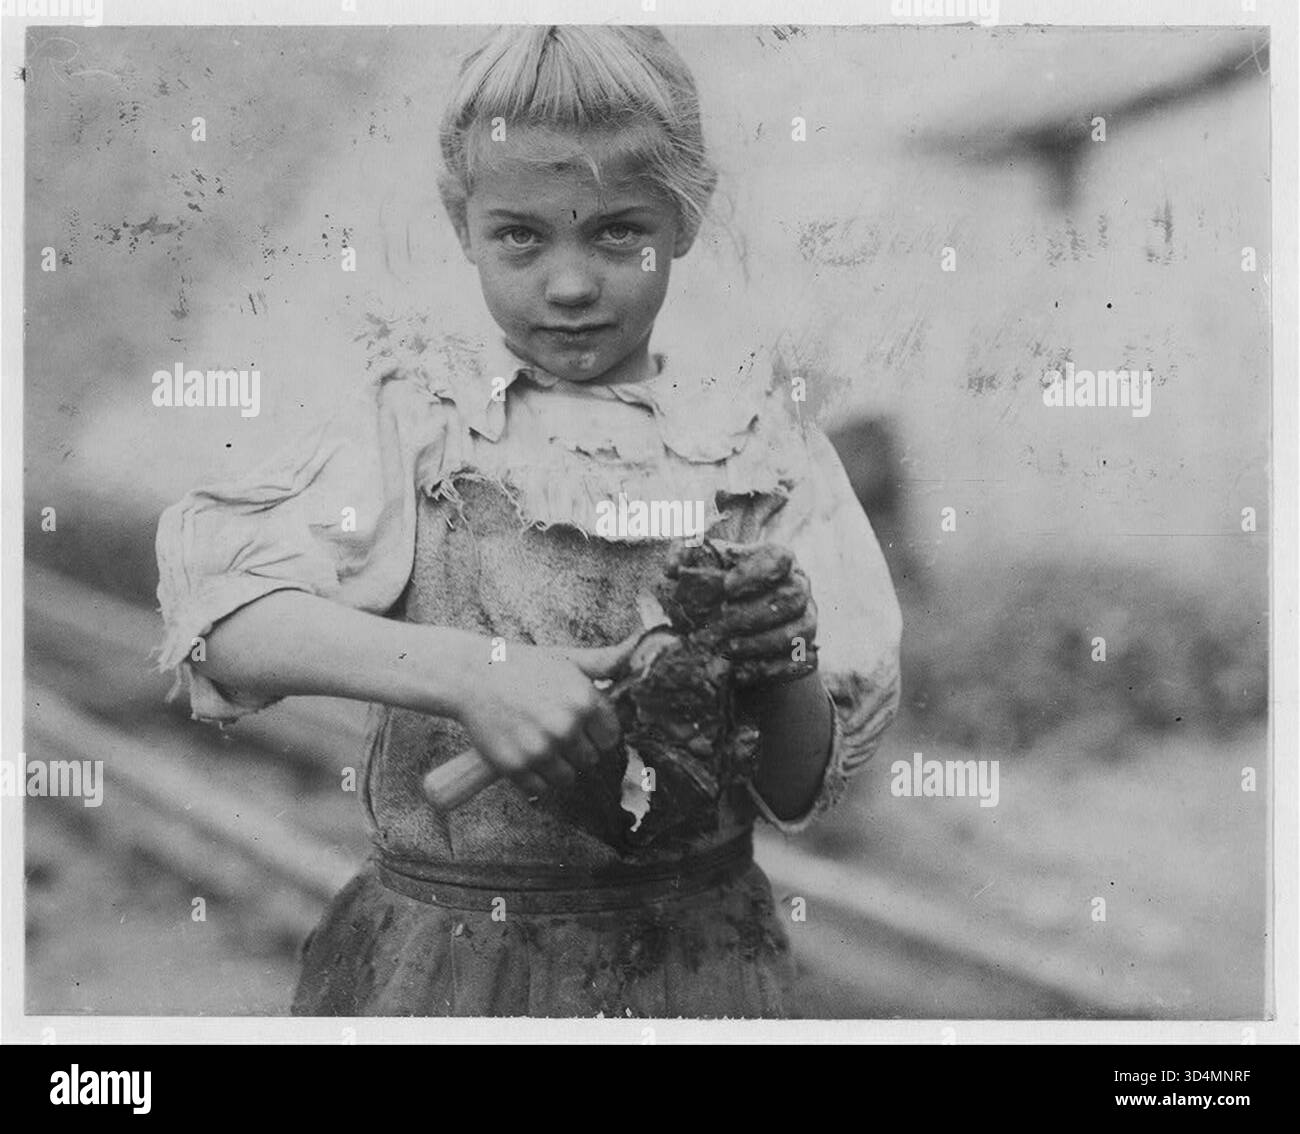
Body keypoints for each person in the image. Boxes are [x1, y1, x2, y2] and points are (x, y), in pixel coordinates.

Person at [155, 25, 901, 1018]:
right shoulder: (420, 421)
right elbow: (225, 628)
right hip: (446, 967)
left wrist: (782, 658)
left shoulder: (760, 449)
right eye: (521, 235)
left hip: (692, 969)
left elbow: (799, 785)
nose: (570, 283)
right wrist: (476, 673)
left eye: (617, 232)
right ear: (461, 223)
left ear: (686, 216)